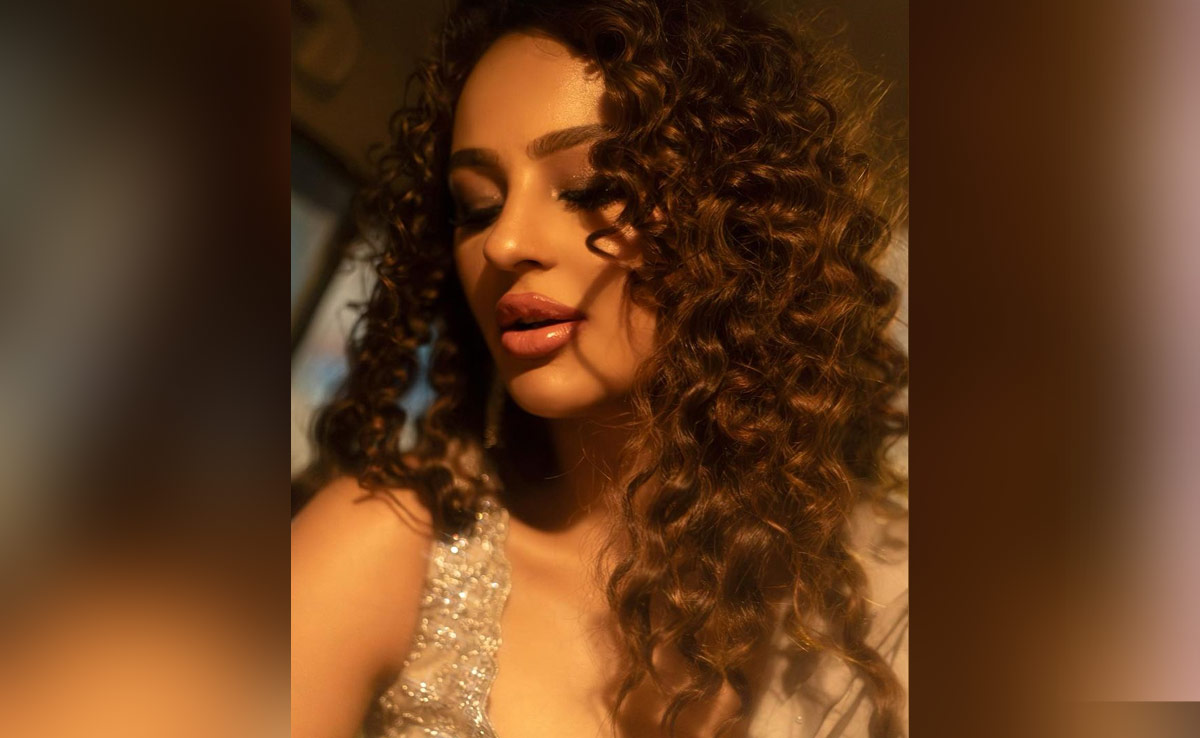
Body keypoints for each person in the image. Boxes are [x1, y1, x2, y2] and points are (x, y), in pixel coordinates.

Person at [291, 1, 909, 737]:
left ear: (739, 223)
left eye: (587, 187)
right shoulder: (386, 549)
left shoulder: (860, 606)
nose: (504, 243)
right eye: (476, 206)